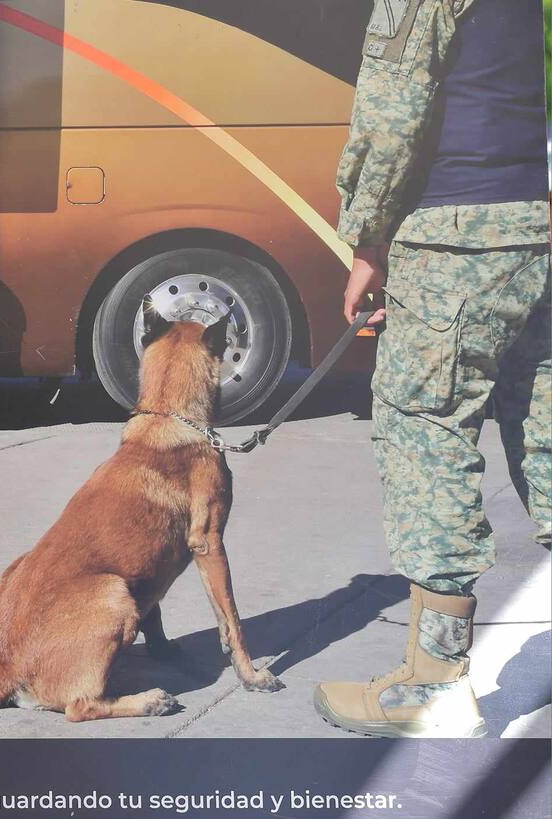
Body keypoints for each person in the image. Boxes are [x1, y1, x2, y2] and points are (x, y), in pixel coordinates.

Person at [314, 0, 550, 737]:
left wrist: (368, 241)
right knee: (544, 427)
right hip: (536, 227)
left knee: (427, 435)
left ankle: (434, 682)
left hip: (456, 233)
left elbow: (393, 116)